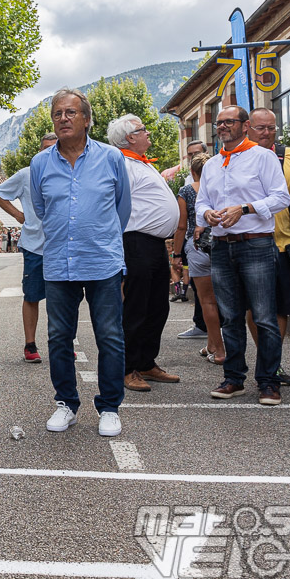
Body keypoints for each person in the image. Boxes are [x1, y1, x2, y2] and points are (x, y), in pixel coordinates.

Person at [30, 88, 130, 438]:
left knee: (110, 336)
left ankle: (110, 407)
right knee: (59, 337)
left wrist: (102, 240)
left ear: (87, 119)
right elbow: (43, 211)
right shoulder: (40, 163)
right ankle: (66, 404)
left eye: (71, 112)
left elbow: (122, 209)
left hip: (102, 261)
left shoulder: (111, 157)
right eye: (58, 113)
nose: (63, 118)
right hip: (59, 262)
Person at [194, 105, 290, 405]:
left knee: (263, 317)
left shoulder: (262, 156)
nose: (222, 127)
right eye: (219, 123)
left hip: (257, 244)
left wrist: (245, 208)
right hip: (222, 246)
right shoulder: (211, 165)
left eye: (229, 122)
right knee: (230, 317)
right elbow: (201, 203)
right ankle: (234, 379)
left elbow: (281, 197)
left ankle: (268, 382)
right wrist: (206, 213)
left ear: (245, 125)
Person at [106, 114, 181, 393]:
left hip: (154, 243)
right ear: (129, 138)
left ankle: (147, 362)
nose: (147, 133)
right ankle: (127, 368)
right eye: (142, 130)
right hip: (136, 242)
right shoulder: (123, 165)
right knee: (136, 307)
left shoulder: (141, 163)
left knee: (158, 306)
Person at [244, 107, 290, 389]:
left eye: (272, 128)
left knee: (278, 308)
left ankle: (271, 363)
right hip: (248, 245)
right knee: (253, 308)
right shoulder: (237, 157)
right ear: (248, 128)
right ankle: (268, 360)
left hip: (282, 244)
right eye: (261, 128)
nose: (267, 133)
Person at [0, 132, 57, 363]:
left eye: (54, 148)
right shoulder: (27, 174)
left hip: (62, 246)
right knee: (32, 296)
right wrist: (19, 216)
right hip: (34, 246)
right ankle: (30, 345)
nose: (49, 152)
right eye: (45, 148)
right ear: (39, 151)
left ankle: (62, 344)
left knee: (63, 299)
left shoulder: (69, 172)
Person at [171, 153, 225, 363]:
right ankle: (215, 344)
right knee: (226, 299)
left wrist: (177, 254)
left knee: (207, 301)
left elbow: (182, 225)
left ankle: (217, 347)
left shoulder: (186, 191)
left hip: (197, 246)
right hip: (222, 242)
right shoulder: (219, 187)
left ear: (193, 172)